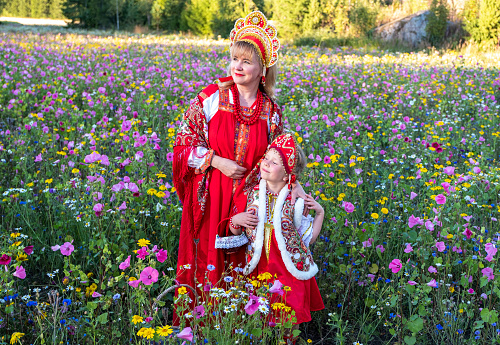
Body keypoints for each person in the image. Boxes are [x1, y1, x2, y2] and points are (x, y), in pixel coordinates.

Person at [172, 11, 306, 310]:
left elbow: (283, 157)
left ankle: (242, 326)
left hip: (250, 199)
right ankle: (202, 326)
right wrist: (217, 161)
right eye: (234, 59)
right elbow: (182, 145)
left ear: (262, 68)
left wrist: (293, 184)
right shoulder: (210, 98)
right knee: (208, 260)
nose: (238, 66)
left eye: (246, 61)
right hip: (210, 193)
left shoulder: (271, 110)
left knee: (248, 263)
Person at [226, 133, 325, 342]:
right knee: (258, 312)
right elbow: (236, 231)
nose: (266, 163)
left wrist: (320, 214)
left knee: (289, 312)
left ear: (287, 175)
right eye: (266, 158)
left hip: (287, 268)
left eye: (275, 162)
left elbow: (309, 239)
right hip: (260, 265)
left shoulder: (297, 201)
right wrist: (236, 220)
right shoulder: (252, 194)